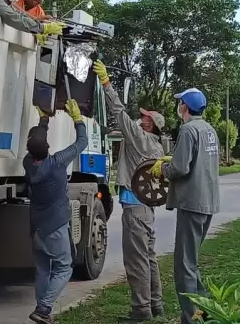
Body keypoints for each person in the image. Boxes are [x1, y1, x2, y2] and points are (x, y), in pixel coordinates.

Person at [92, 60, 165, 322]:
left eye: (144, 117)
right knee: (149, 257)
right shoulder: (156, 145)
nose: (140, 117)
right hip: (146, 209)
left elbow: (119, 112)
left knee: (136, 262)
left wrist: (107, 83)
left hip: (134, 209)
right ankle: (155, 304)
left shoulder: (140, 139)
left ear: (149, 125)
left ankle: (141, 310)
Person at [151, 88, 220, 324]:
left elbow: (181, 168)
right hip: (208, 202)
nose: (178, 106)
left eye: (180, 103)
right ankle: (205, 311)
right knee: (191, 262)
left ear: (185, 107)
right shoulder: (209, 130)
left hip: (192, 204)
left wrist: (163, 169)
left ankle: (191, 318)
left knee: (183, 267)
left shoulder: (188, 129)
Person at [23, 99, 88, 324]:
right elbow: (82, 142)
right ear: (48, 147)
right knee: (64, 268)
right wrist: (77, 119)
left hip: (37, 227)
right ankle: (43, 308)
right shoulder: (58, 162)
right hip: (55, 226)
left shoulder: (28, 164)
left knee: (42, 268)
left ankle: (43, 314)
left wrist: (43, 120)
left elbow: (37, 143)